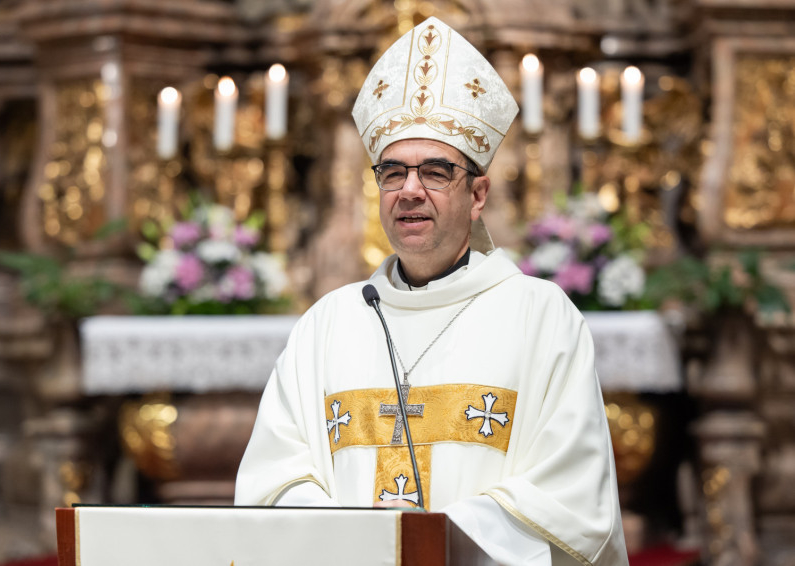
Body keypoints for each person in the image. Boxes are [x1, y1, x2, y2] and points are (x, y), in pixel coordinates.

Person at [235, 16, 629, 566]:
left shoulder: (539, 317)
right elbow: (274, 480)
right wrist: (359, 542)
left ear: (478, 194)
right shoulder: (327, 325)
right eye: (392, 173)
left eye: (436, 172)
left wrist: (431, 540)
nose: (410, 191)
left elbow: (569, 492)